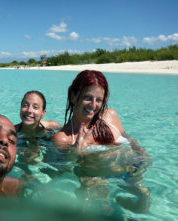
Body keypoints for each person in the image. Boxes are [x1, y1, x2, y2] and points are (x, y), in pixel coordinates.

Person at [52, 70, 150, 213]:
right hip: (94, 177)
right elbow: (62, 171)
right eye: (87, 98)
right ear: (73, 96)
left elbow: (129, 139)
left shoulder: (110, 116)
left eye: (99, 100)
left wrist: (142, 154)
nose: (93, 105)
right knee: (90, 210)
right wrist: (76, 152)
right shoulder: (63, 137)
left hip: (131, 170)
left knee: (142, 206)